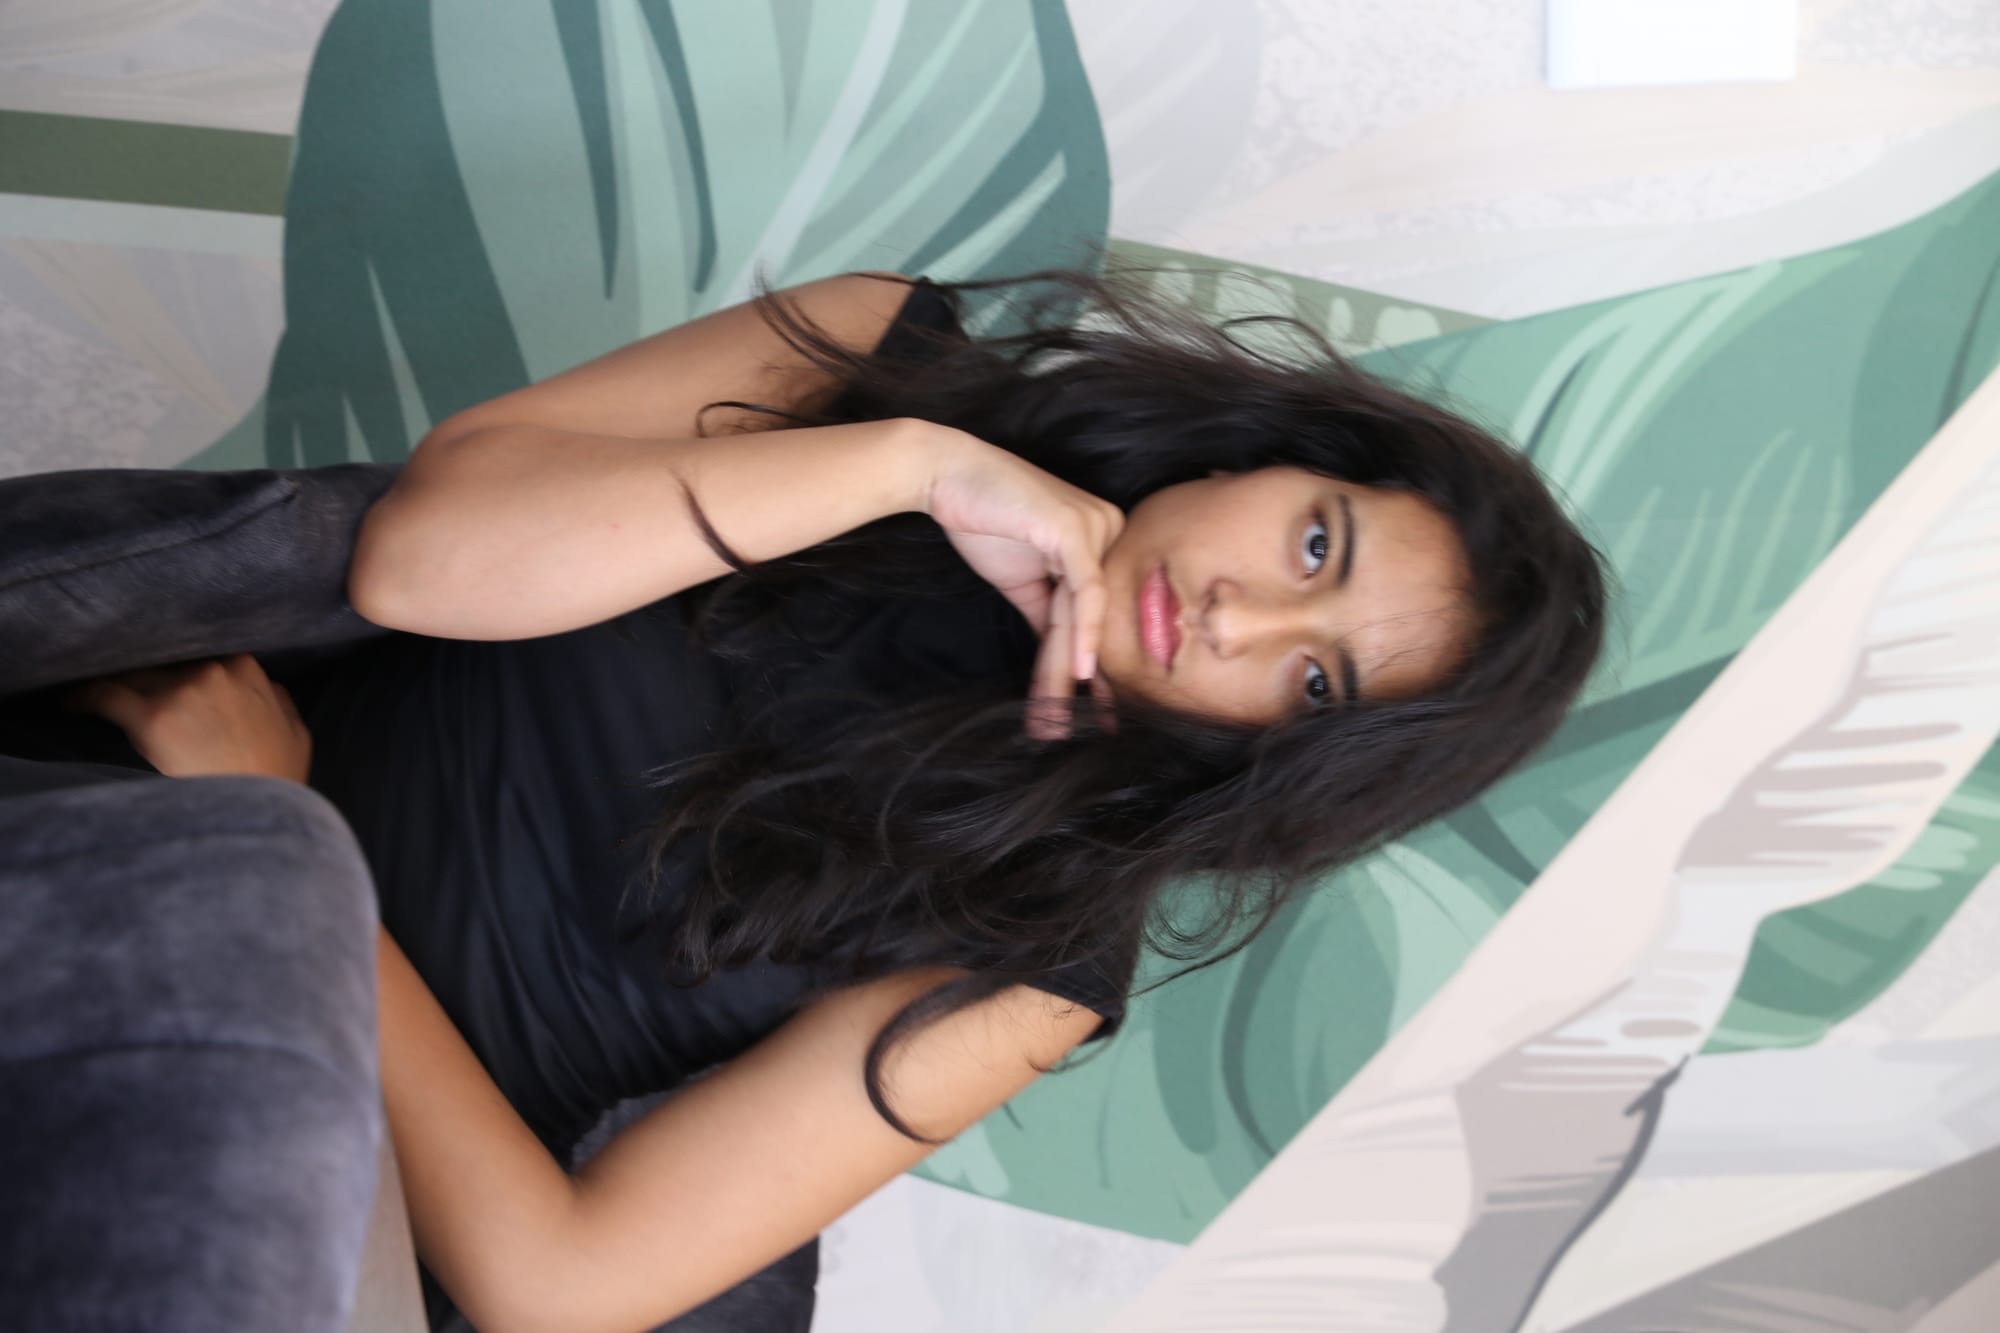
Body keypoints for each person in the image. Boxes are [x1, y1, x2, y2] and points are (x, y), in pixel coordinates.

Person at [7, 267, 1607, 1332]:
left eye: (1315, 682)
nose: (1243, 617)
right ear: (1275, 454)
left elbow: (558, 1279)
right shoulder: (882, 349)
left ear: (1289, 758)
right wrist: (913, 464)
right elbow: (422, 560)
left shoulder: (1039, 950)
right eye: (1315, 542)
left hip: (269, 1159)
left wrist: (281, 853)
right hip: (98, 832)